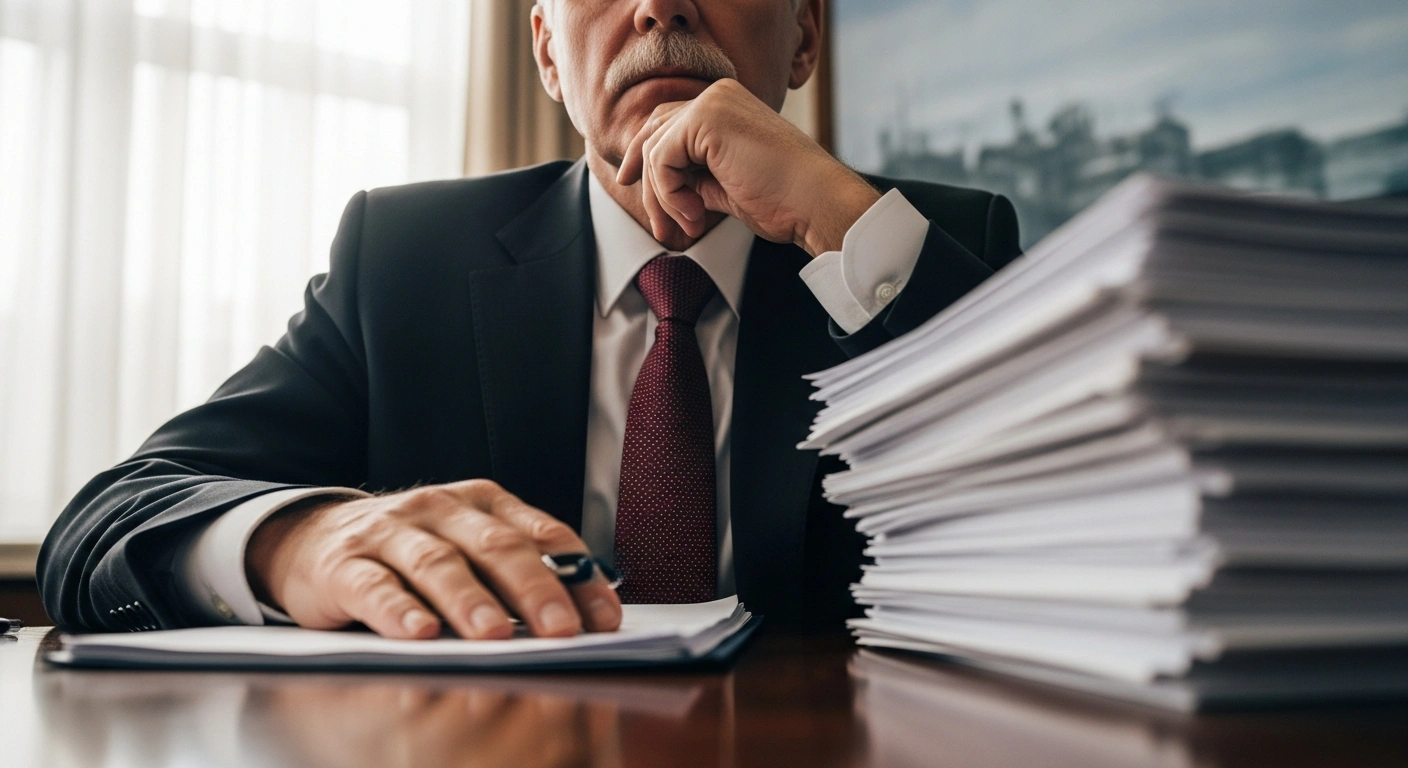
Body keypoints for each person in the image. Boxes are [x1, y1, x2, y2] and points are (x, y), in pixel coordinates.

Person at [39, 0, 1019, 639]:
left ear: (805, 34)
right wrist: (295, 544)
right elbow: (104, 524)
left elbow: (1092, 509)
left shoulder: (930, 239)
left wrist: (838, 223)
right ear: (547, 53)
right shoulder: (403, 257)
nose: (657, 7)